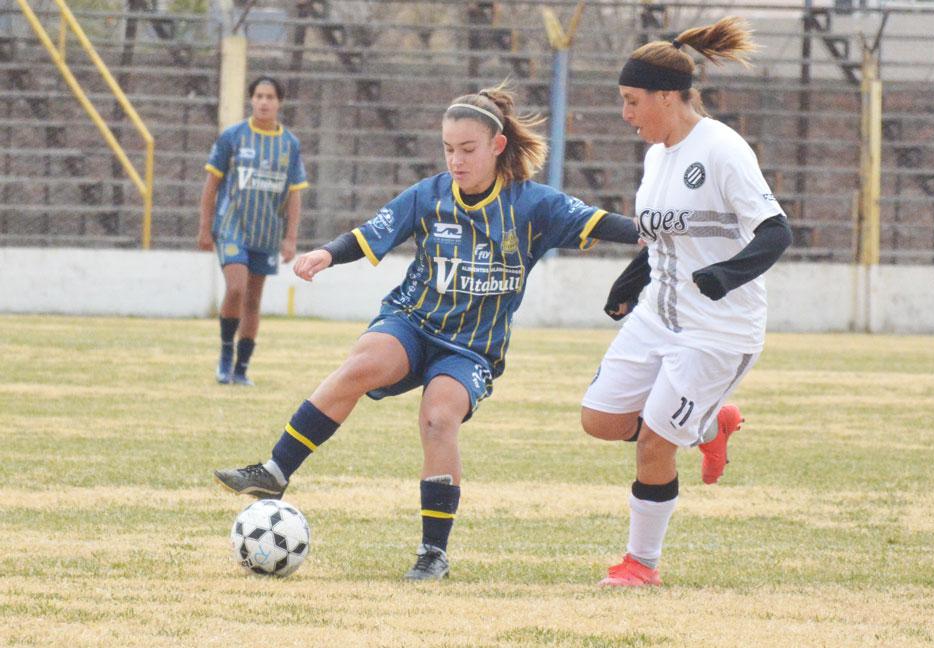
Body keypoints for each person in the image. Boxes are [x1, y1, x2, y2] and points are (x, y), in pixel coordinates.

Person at [213, 84, 639, 580]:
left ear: (497, 146)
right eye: (448, 149)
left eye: (467, 150)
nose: (455, 161)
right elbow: (374, 231)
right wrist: (326, 253)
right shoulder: (430, 195)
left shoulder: (533, 205)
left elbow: (607, 223)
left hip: (472, 349)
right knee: (363, 364)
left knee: (439, 419)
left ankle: (433, 553)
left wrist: (658, 228)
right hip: (412, 321)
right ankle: (275, 471)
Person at [580, 16, 792, 587]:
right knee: (599, 421)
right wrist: (630, 282)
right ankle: (705, 425)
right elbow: (662, 236)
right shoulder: (656, 155)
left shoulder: (723, 150)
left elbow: (776, 232)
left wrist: (726, 274)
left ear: (667, 98)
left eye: (632, 102)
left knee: (653, 442)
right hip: (660, 316)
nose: (626, 115)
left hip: (716, 331)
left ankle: (640, 565)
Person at [197, 76, 308, 386]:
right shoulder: (233, 137)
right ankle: (224, 355)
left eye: (269, 96)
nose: (263, 102)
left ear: (279, 102)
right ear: (251, 99)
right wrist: (205, 228)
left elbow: (295, 193)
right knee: (235, 288)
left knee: (253, 300)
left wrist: (290, 238)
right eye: (258, 95)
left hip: (267, 232)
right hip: (232, 226)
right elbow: (211, 185)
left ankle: (242, 368)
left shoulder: (290, 144)